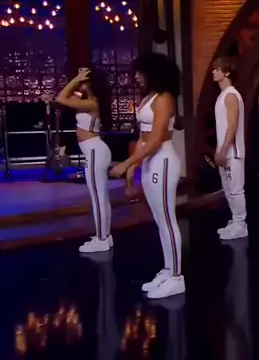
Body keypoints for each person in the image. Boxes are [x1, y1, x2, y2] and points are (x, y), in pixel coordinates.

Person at [110, 52, 184, 299]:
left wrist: (126, 164)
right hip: (150, 162)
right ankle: (168, 270)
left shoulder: (164, 98)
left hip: (163, 161)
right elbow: (143, 140)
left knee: (167, 220)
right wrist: (132, 171)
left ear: (152, 72)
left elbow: (156, 139)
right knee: (160, 220)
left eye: (140, 73)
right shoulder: (150, 97)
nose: (136, 77)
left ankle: (176, 277)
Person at [55, 67, 114, 253]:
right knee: (100, 196)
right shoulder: (88, 100)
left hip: (95, 151)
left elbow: (60, 98)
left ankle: (101, 239)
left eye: (84, 79)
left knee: (98, 198)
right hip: (95, 150)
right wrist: (79, 83)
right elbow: (67, 99)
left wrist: (76, 79)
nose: (80, 81)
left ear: (90, 82)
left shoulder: (91, 103)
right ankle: (105, 236)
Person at [212, 57, 247, 240]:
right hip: (225, 151)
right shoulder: (223, 95)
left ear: (226, 72)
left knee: (236, 189)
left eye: (217, 69)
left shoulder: (231, 95)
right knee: (228, 190)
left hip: (233, 152)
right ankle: (235, 221)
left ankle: (241, 224)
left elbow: (232, 126)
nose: (213, 72)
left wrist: (224, 150)